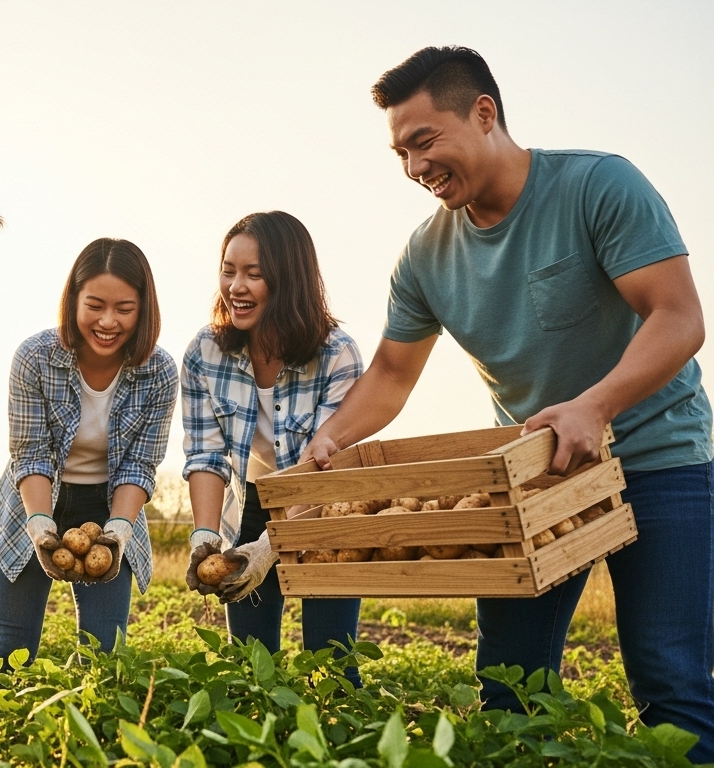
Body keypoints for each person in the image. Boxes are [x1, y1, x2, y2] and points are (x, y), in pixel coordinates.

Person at [301, 46, 713, 758]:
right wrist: (333, 436)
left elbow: (677, 318)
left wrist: (595, 405)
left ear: (484, 112)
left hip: (660, 462)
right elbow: (393, 375)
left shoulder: (598, 185)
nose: (414, 168)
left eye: (424, 142)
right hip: (535, 480)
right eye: (400, 153)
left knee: (668, 681)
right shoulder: (425, 256)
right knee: (508, 684)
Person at [180, 211, 363, 682]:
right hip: (251, 505)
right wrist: (205, 536)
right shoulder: (205, 352)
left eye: (254, 274)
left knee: (332, 660)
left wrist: (271, 548)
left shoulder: (336, 354)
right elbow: (205, 454)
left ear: (288, 279)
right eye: (228, 270)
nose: (236, 286)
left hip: (321, 511)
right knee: (250, 665)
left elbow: (325, 467)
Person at [0, 238, 177, 675]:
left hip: (109, 507)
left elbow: (139, 465)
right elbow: (30, 453)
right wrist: (39, 526)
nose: (108, 322)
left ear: (144, 309)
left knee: (105, 653)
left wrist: (119, 532)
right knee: (9, 648)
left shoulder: (160, 372)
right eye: (95, 305)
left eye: (125, 309)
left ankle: (93, 738)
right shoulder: (35, 358)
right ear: (73, 299)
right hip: (33, 499)